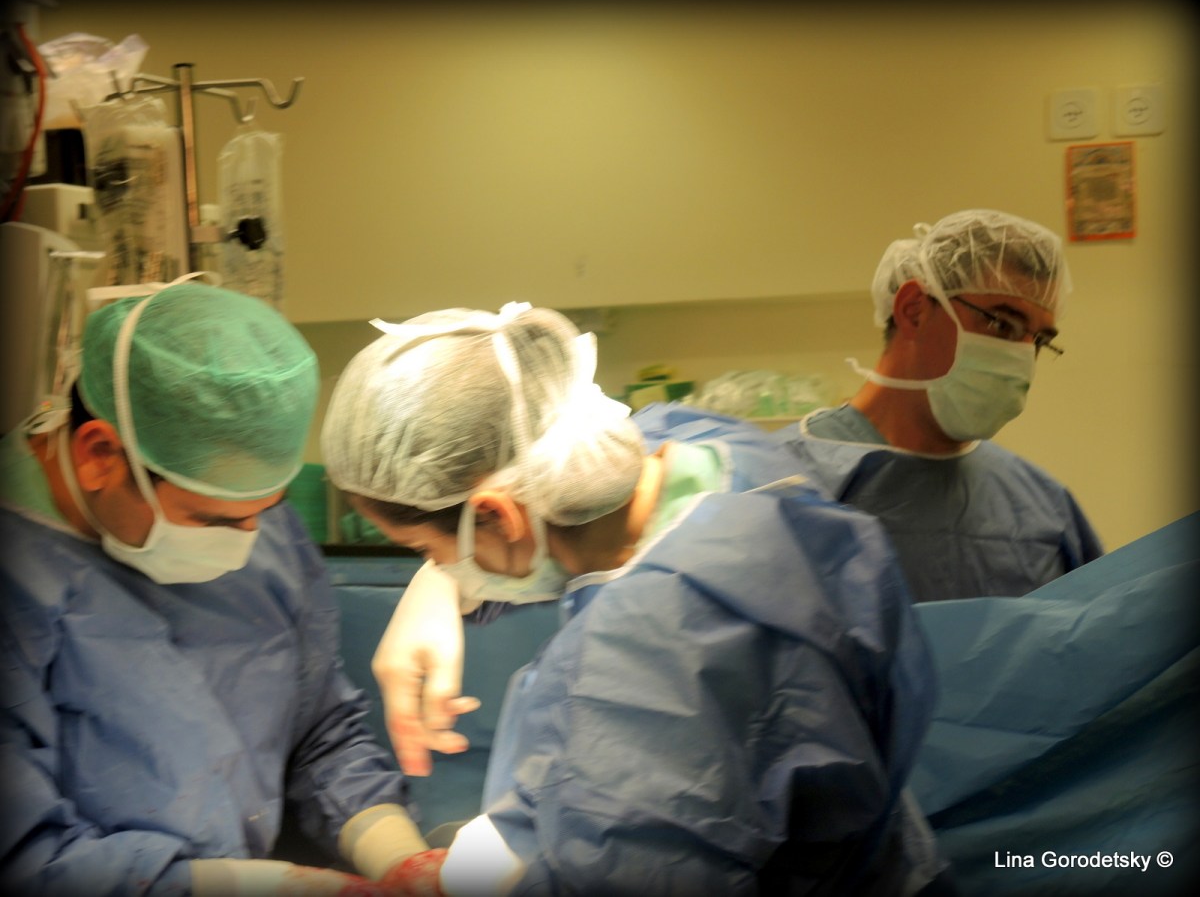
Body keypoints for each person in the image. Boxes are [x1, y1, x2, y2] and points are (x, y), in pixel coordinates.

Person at [320, 302, 946, 895]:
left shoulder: (649, 662)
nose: (439, 571)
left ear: (497, 515)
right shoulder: (723, 452)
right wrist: (436, 588)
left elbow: (631, 863)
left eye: (426, 552)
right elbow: (566, 447)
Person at [0, 282, 431, 897]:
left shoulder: (250, 516)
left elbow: (318, 732)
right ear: (99, 455)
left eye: (266, 510)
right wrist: (272, 886)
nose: (249, 541)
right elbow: (26, 861)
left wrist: (398, 857)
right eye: (213, 520)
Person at [772, 209, 1103, 602]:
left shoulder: (1041, 505)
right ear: (913, 309)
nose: (1020, 356)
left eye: (1039, 341)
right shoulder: (780, 482)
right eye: (1000, 323)